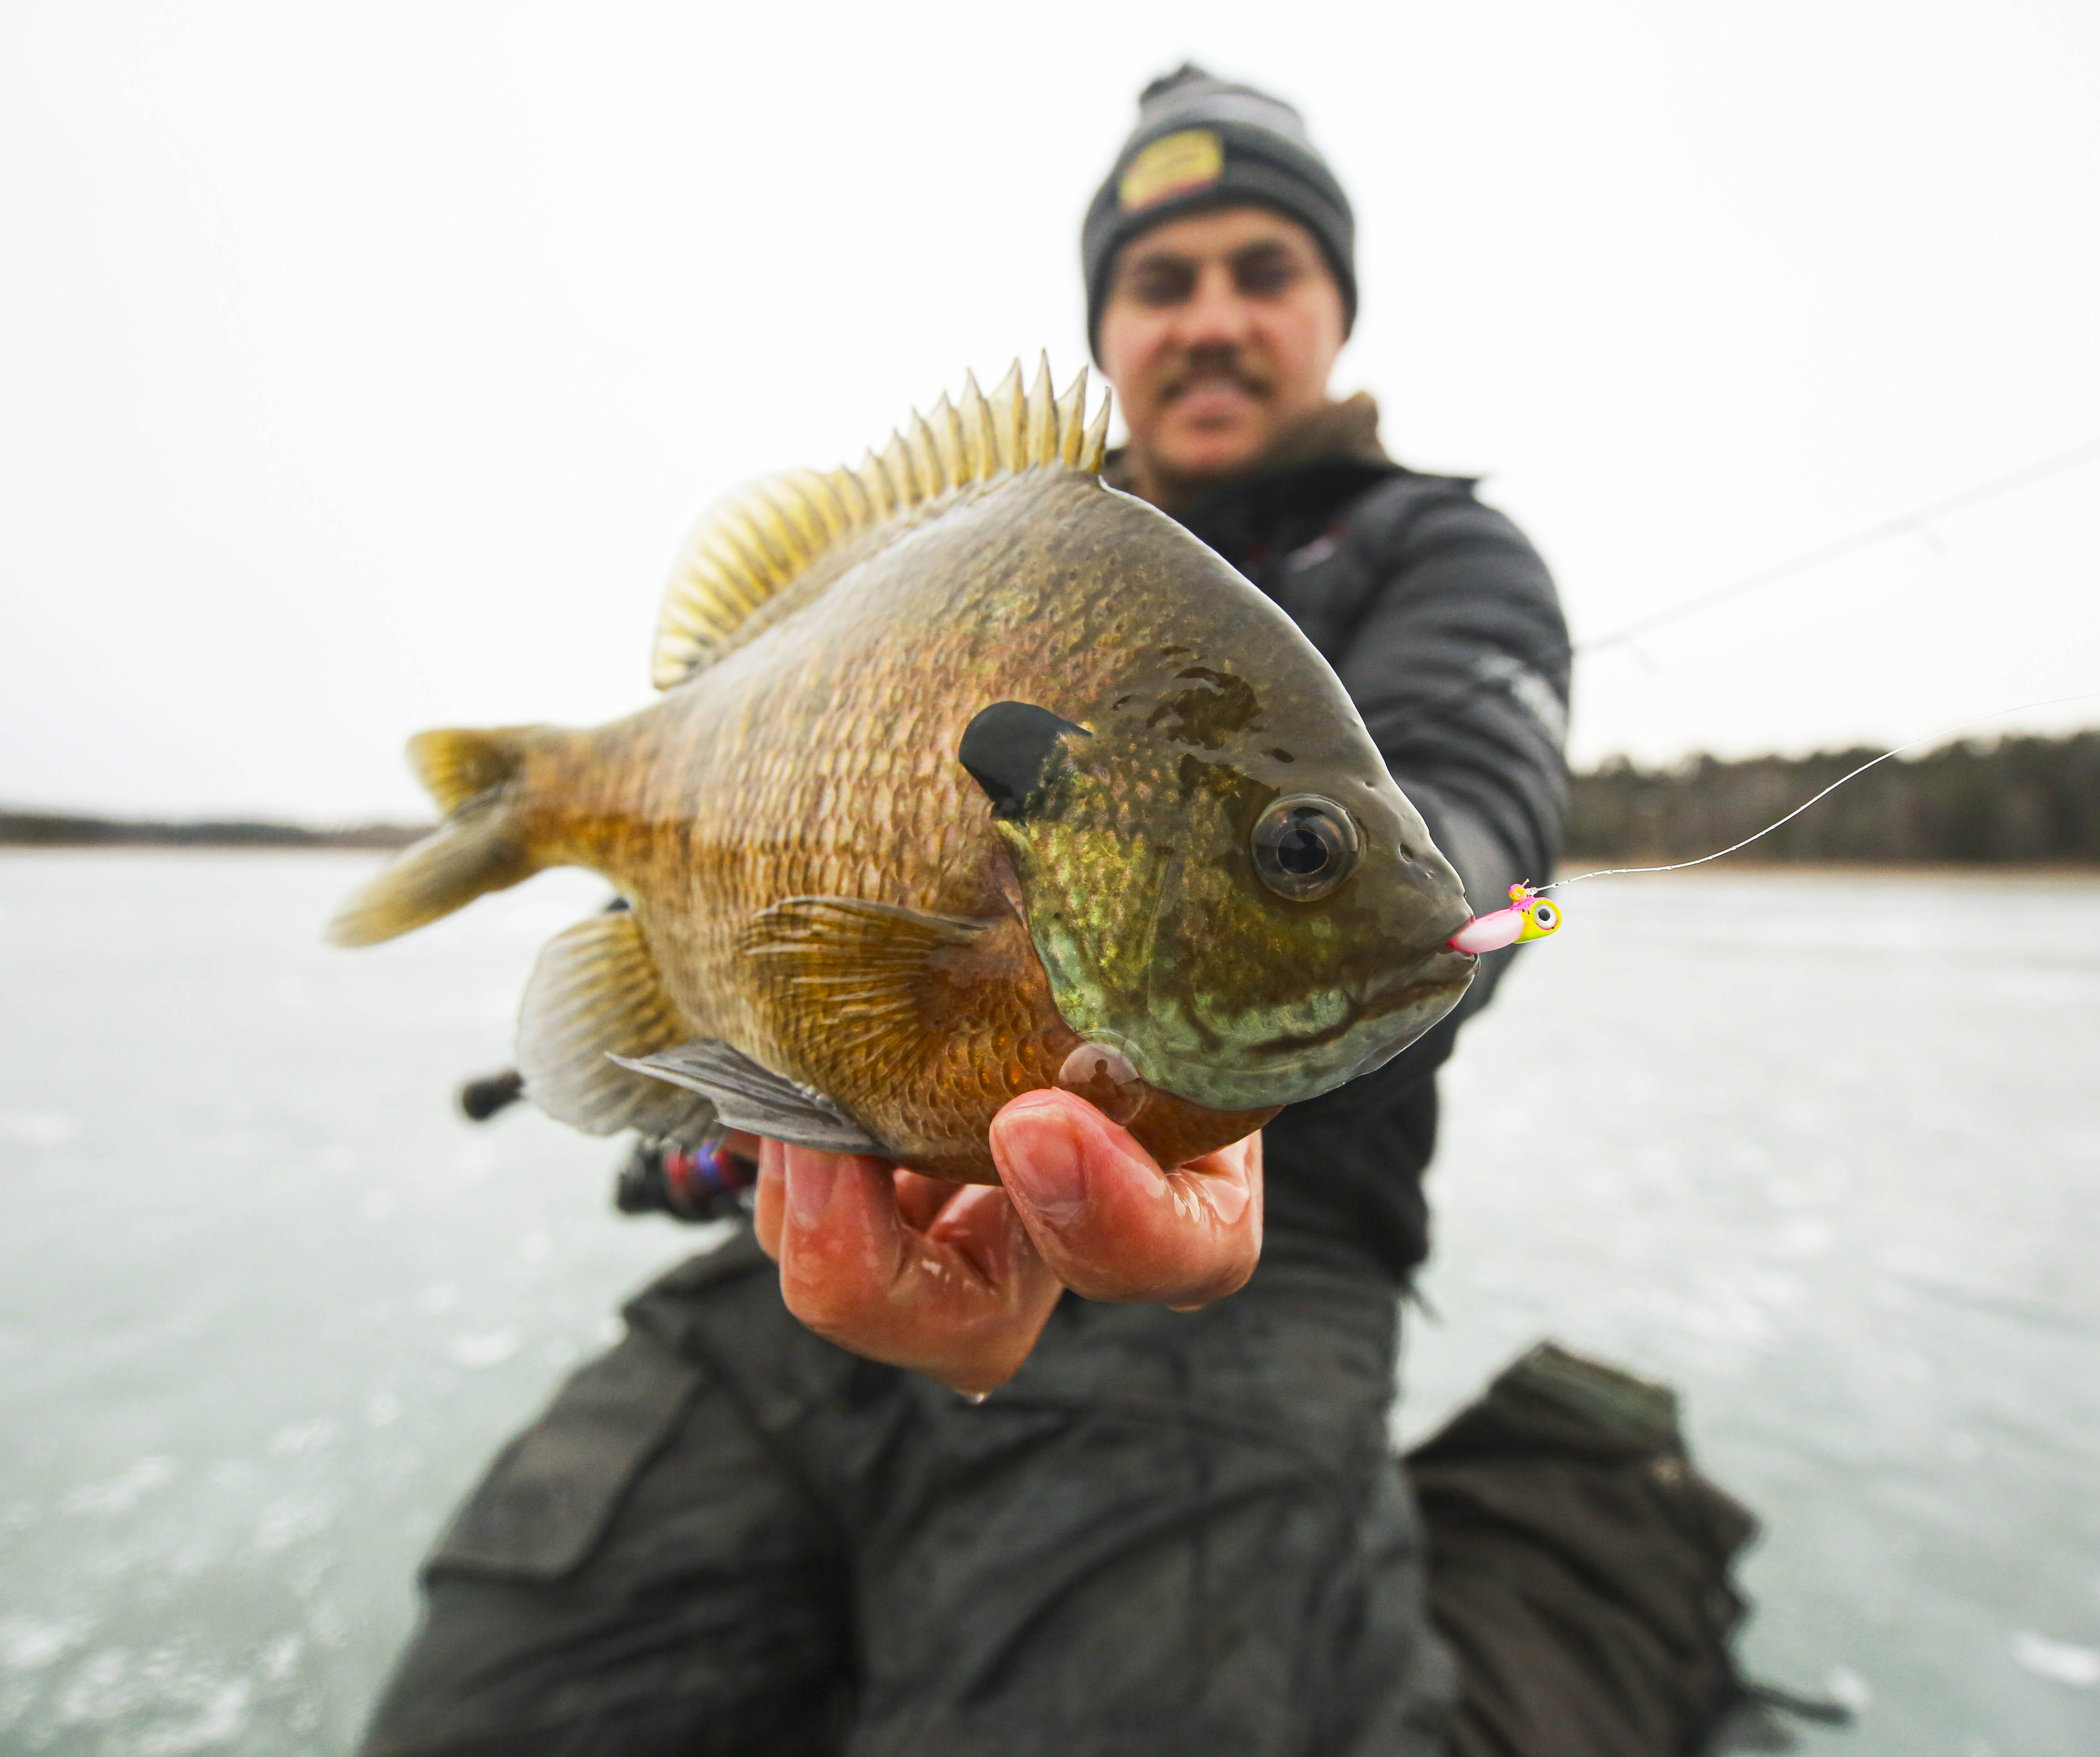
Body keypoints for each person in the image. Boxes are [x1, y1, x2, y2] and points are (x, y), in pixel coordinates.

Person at [356, 67, 1722, 1757]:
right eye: (1161, 279)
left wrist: (1320, 893)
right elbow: (806, 968)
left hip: (1244, 1291)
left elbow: (1468, 833)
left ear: (1334, 309)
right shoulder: (1014, 545)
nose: (1211, 316)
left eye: (1263, 271)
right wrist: (752, 1118)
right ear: (1109, 325)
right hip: (802, 1258)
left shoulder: (1443, 559)